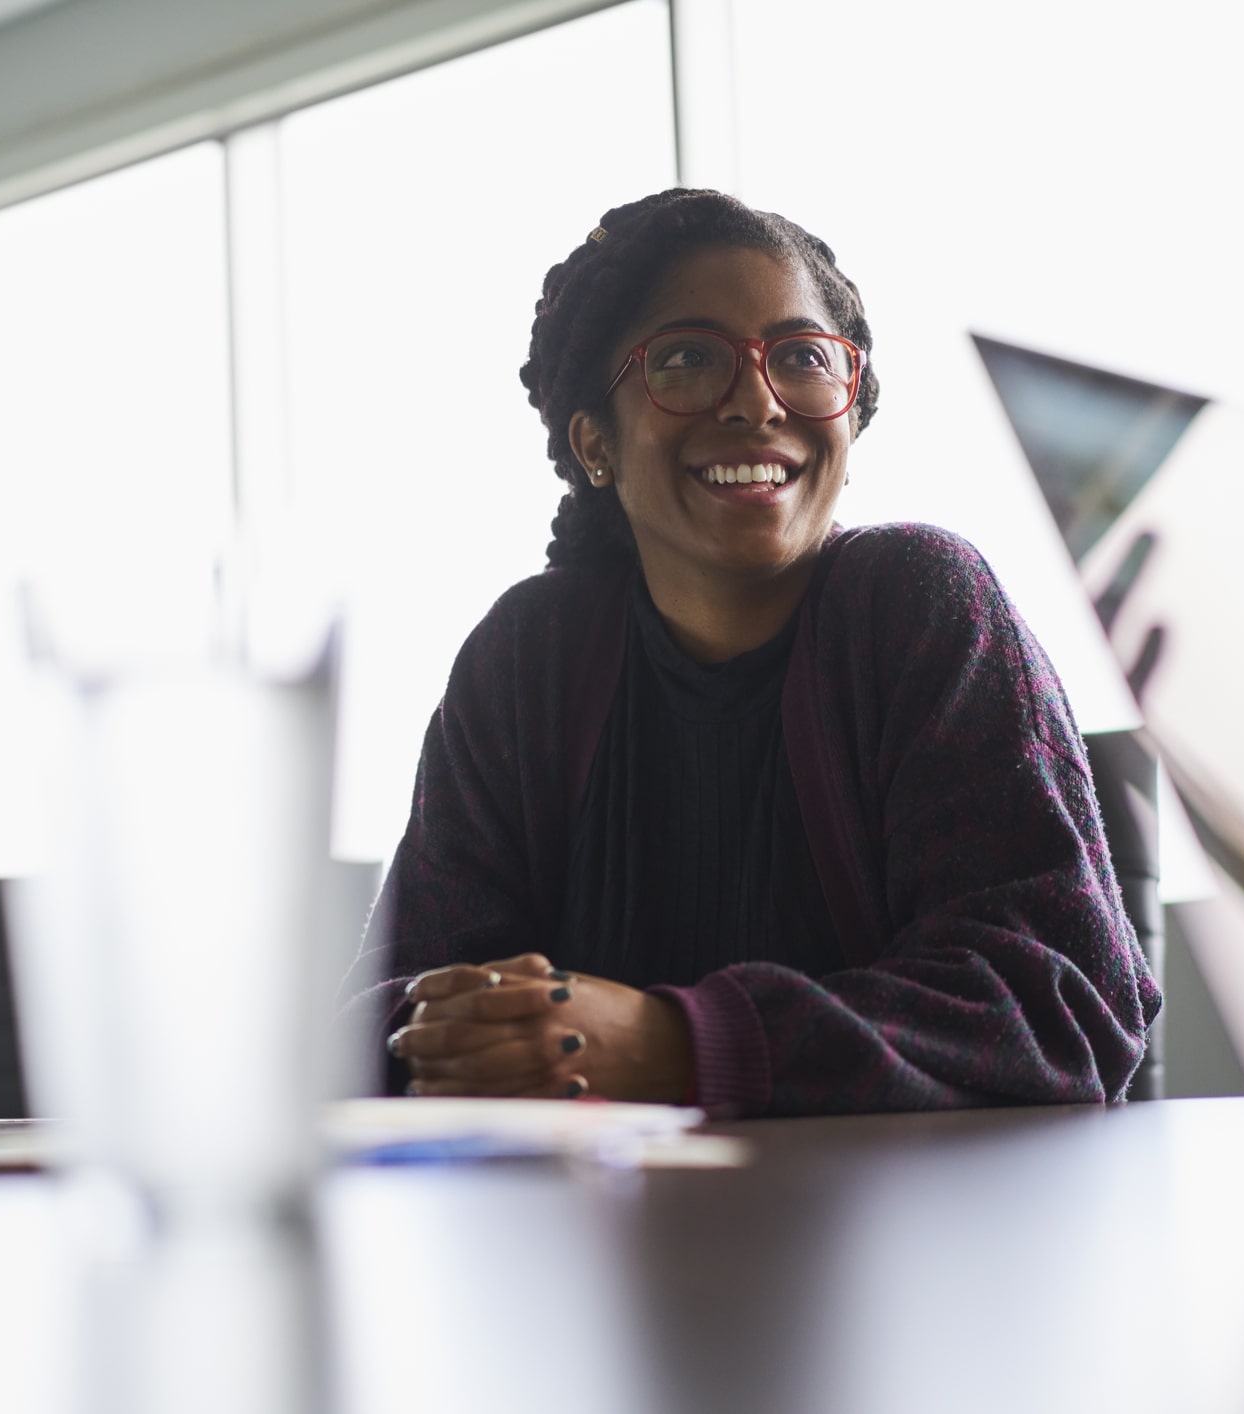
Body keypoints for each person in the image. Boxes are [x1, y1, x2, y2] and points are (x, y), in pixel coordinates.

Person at [348, 188, 1160, 1116]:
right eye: (689, 359)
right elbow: (389, 1008)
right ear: (595, 443)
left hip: (917, 1239)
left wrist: (677, 1046)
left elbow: (1061, 1005)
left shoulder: (920, 603)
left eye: (803, 358)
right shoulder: (526, 662)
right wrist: (450, 1037)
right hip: (595, 1242)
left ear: (848, 422)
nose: (756, 402)